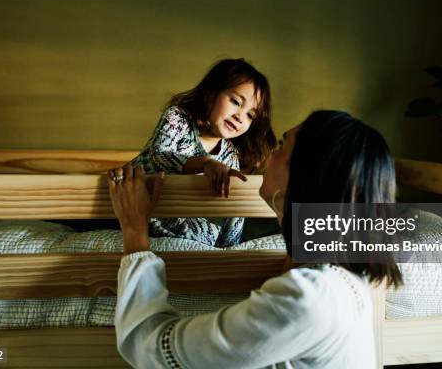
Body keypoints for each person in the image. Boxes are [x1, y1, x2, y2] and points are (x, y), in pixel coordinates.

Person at [108, 110, 402, 368]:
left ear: (302, 175)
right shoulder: (343, 281)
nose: (269, 154)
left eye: (281, 145)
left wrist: (135, 230)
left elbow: (152, 351)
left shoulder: (309, 297)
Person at [128, 58, 276, 247]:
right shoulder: (178, 118)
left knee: (210, 233)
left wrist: (229, 249)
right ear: (212, 92)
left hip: (170, 217)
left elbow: (233, 209)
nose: (240, 117)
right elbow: (159, 157)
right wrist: (205, 163)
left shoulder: (230, 156)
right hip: (128, 199)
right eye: (236, 101)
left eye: (250, 115)